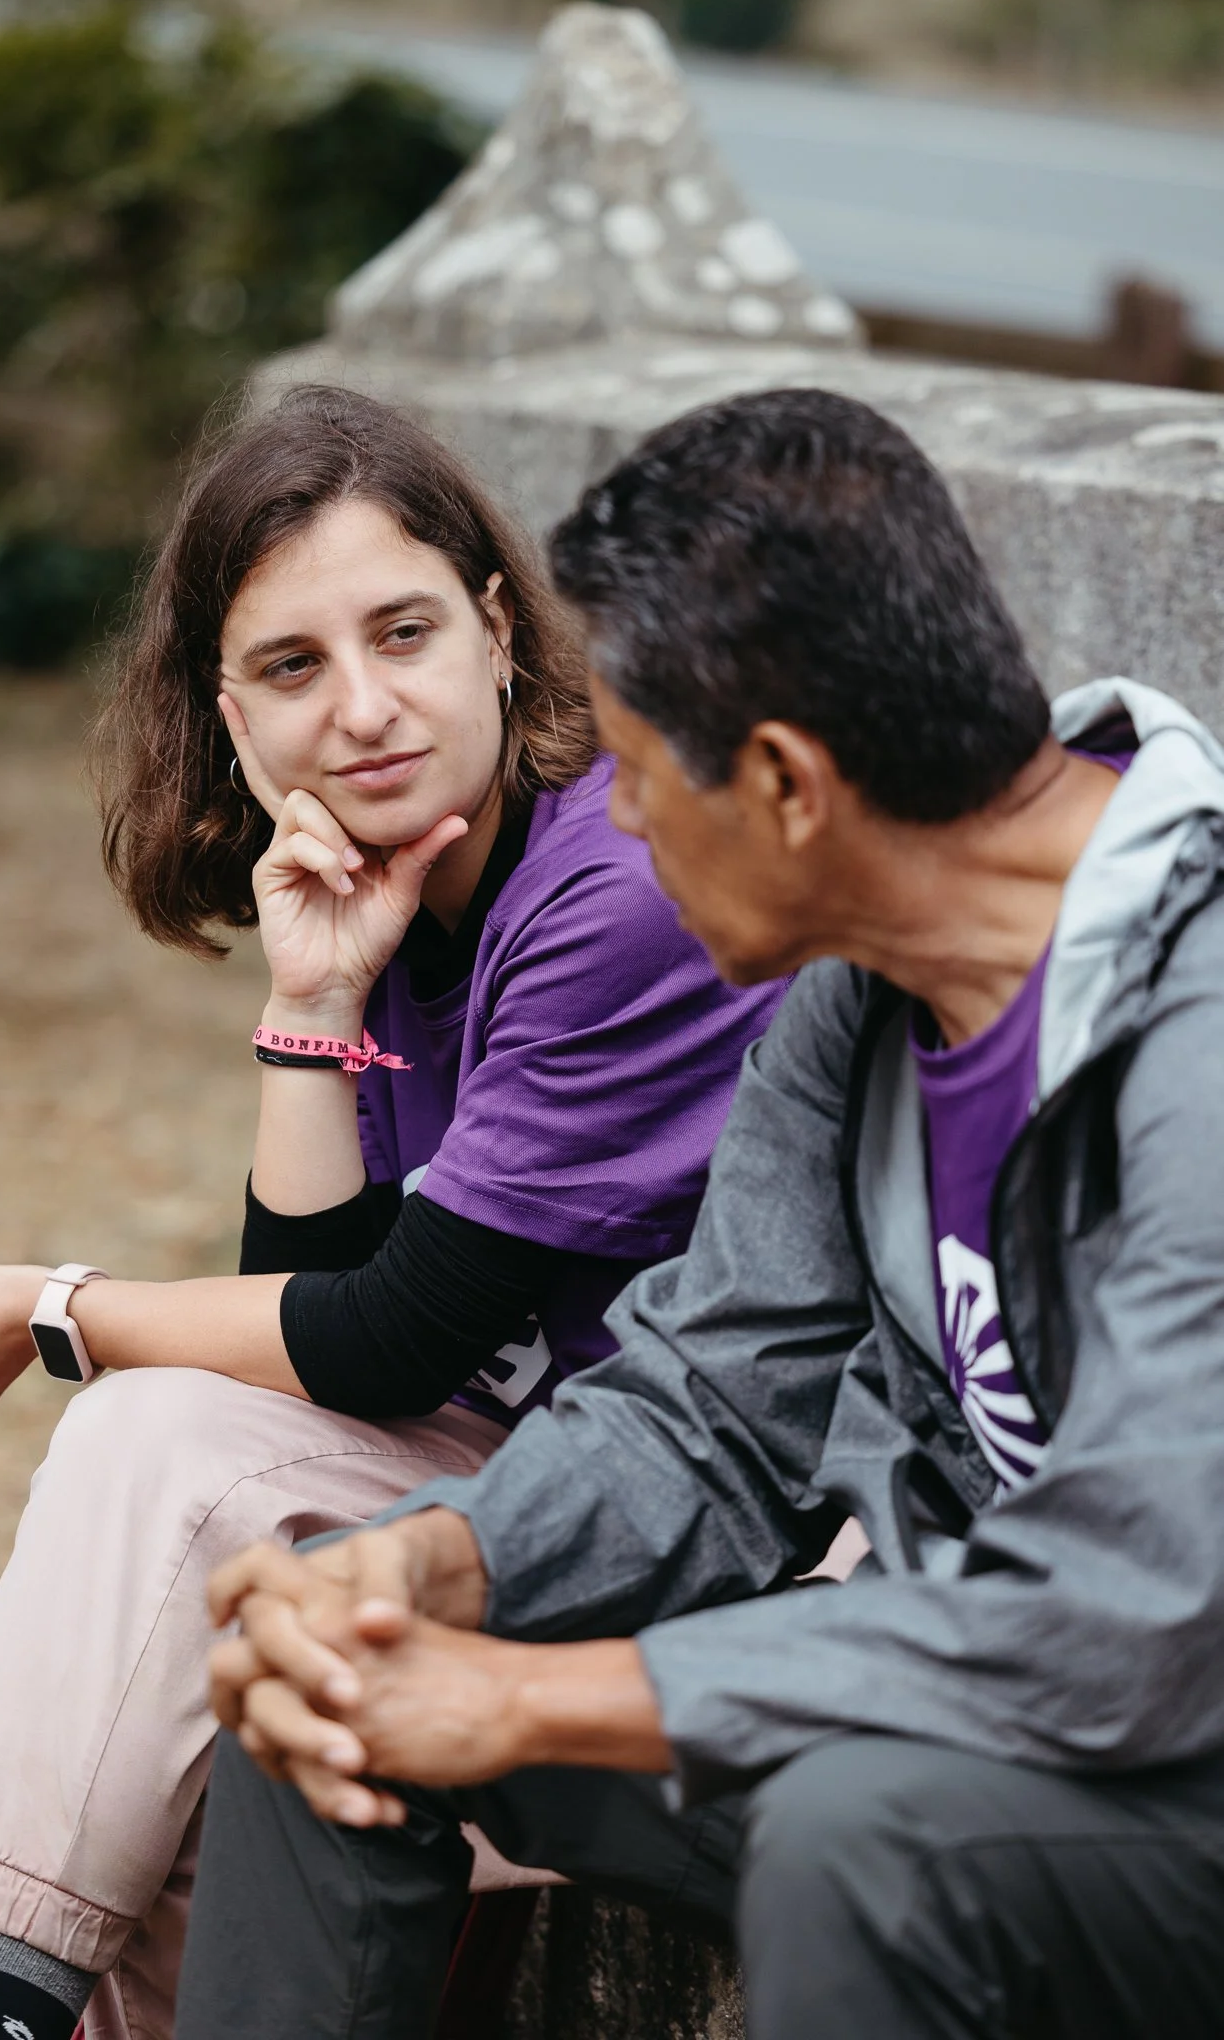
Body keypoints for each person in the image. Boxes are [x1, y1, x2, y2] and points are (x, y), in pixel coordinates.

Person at [184, 386, 1224, 2040]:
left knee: (857, 1841)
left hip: (1160, 1777)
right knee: (343, 1683)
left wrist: (527, 1695)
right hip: (939, 1712)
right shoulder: (859, 1004)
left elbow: (1135, 1628)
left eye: (650, 780)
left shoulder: (1198, 1049)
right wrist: (432, 1571)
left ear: (791, 786)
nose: (625, 828)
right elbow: (706, 1412)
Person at [0, 388, 788, 2040]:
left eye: (406, 633)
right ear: (227, 710)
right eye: (292, 668)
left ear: (500, 632)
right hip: (529, 1481)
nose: (364, 710)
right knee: (180, 1532)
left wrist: (44, 1305)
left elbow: (382, 1340)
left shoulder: (611, 892)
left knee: (145, 1447)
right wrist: (313, 1001)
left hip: (710, 1535)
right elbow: (297, 1350)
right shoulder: (383, 886)